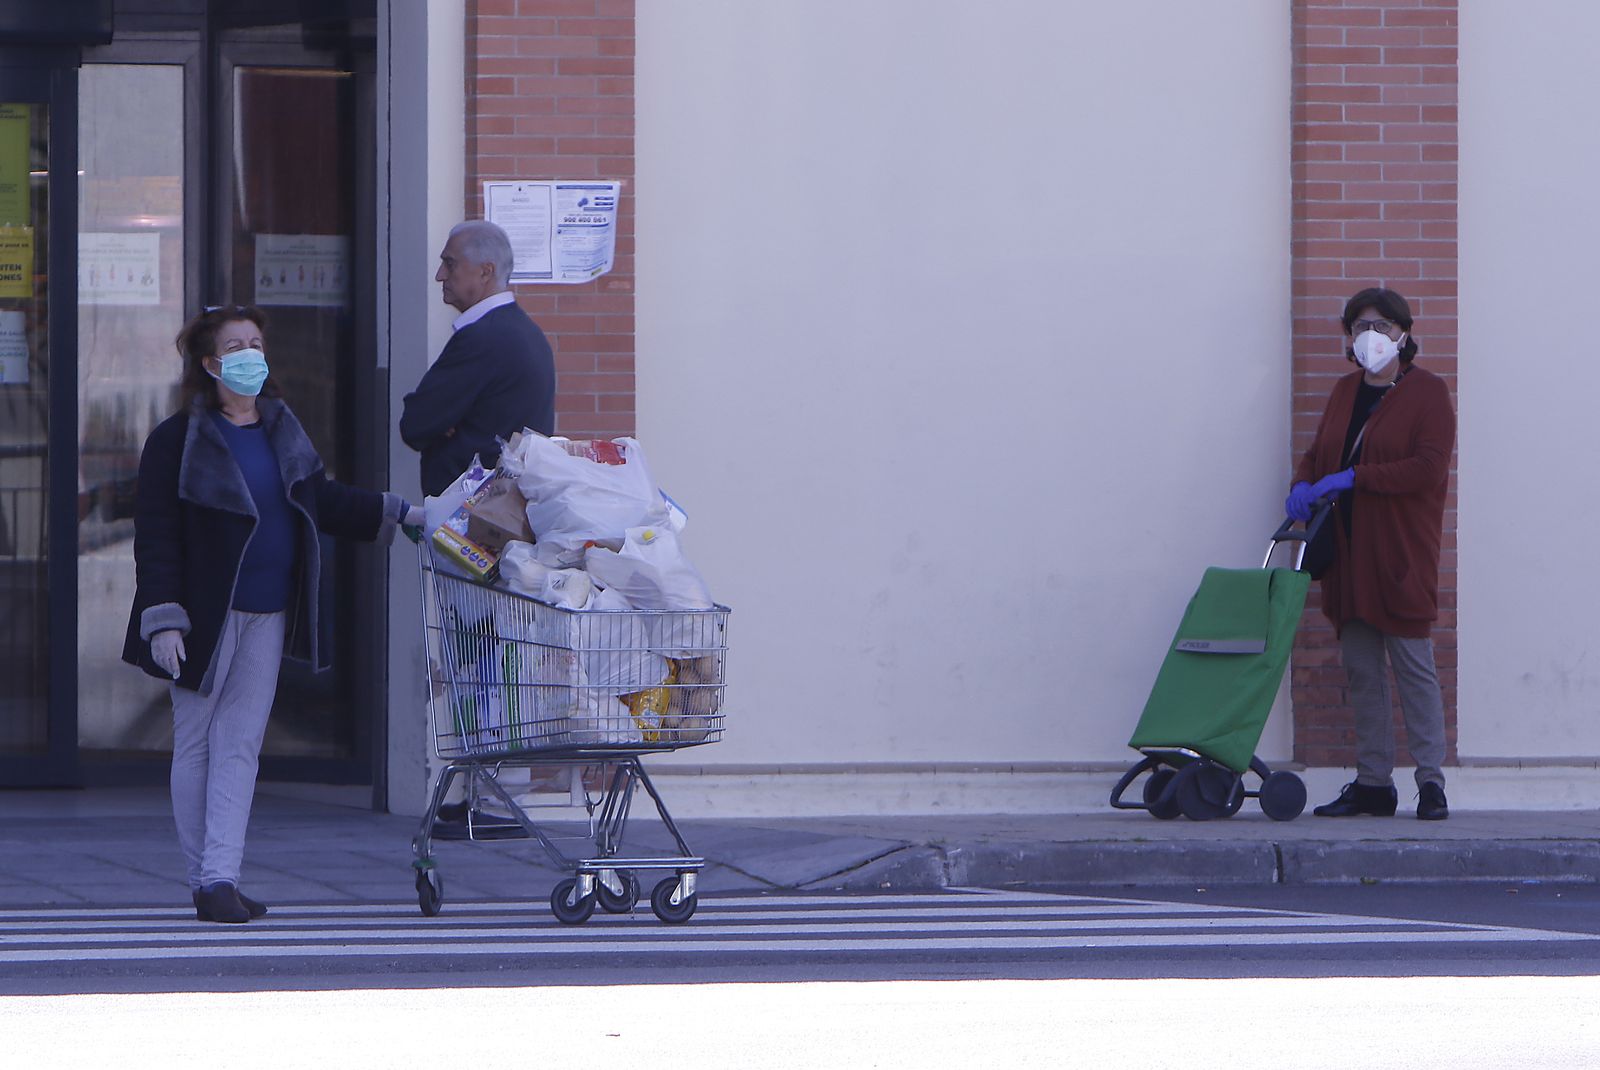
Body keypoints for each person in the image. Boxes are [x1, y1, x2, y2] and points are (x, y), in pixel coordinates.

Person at [122, 305, 424, 924]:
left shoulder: (284, 429)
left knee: (241, 745)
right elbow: (155, 536)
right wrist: (164, 617)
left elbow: (325, 499)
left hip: (268, 610)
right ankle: (204, 879)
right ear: (210, 364)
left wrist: (403, 512)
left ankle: (222, 877)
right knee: (199, 744)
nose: (249, 354)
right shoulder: (176, 440)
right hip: (203, 617)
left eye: (256, 343)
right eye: (235, 346)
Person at [1286, 287, 1456, 821]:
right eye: (1359, 327)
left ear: (1404, 332)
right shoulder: (1344, 392)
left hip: (1398, 553)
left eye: (1381, 325)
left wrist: (1356, 476)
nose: (1370, 336)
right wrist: (1303, 483)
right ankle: (1373, 782)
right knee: (1362, 671)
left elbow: (1427, 467)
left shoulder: (1427, 392)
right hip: (1348, 555)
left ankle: (1431, 783)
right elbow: (1319, 452)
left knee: (1413, 669)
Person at [400, 219, 556, 496]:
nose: (440, 275)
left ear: (486, 272)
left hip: (471, 520)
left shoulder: (483, 338)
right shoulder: (524, 331)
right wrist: (443, 420)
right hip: (499, 510)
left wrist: (445, 422)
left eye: (450, 264)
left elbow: (415, 423)